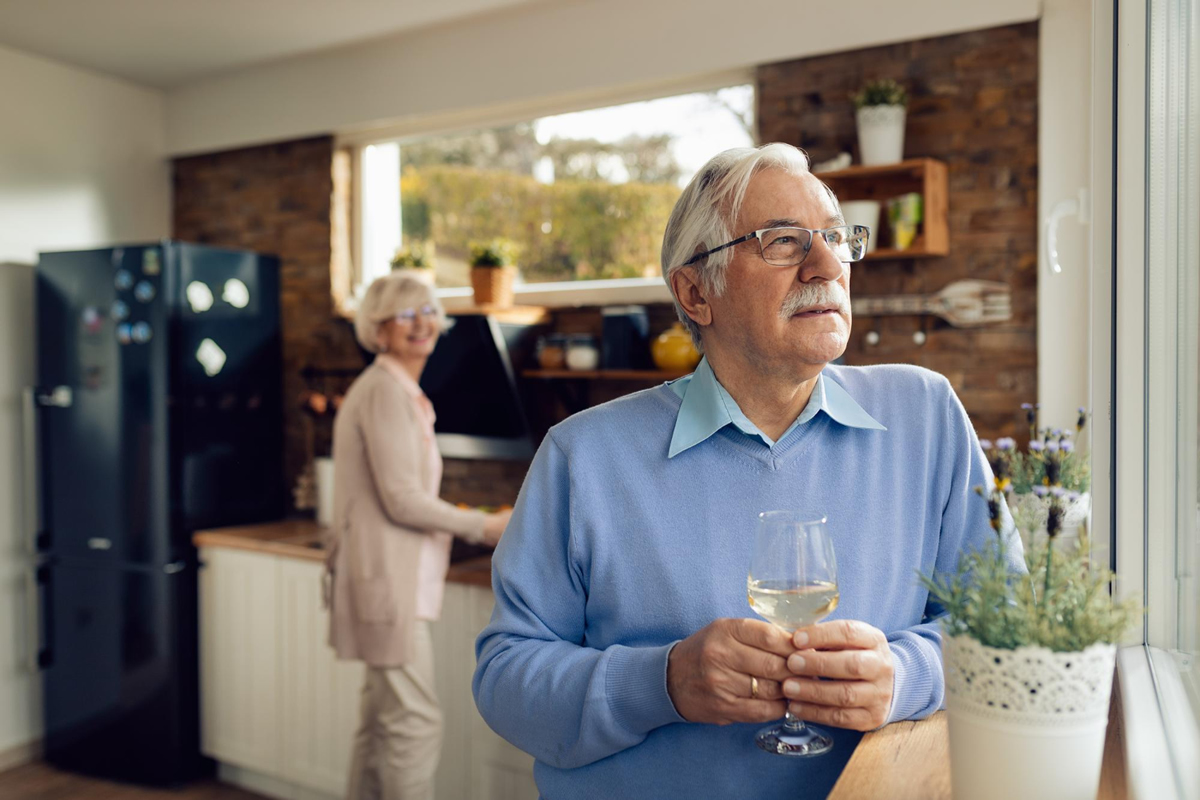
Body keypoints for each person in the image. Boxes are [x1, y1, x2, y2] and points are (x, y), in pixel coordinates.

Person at [472, 143, 1022, 798]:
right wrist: (665, 682)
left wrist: (910, 675)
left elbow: (1010, 625)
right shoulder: (581, 457)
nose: (826, 265)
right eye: (784, 242)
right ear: (696, 292)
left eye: (836, 238)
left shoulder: (926, 415)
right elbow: (506, 681)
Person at [328, 272, 511, 800]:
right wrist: (485, 525)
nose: (421, 323)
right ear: (378, 330)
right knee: (415, 723)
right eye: (405, 315)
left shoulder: (396, 390)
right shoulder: (385, 390)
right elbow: (401, 499)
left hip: (385, 577)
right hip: (387, 579)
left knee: (380, 720)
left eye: (428, 311)